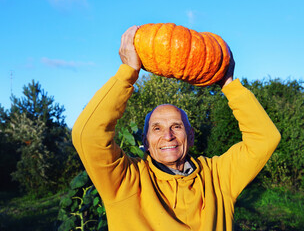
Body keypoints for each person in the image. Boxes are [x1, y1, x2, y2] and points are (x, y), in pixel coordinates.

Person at [72, 25, 281, 231]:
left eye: (176, 126)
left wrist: (229, 85)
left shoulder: (217, 177)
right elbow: (87, 134)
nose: (168, 136)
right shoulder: (125, 180)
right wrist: (127, 74)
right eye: (157, 129)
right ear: (145, 141)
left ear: (190, 136)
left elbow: (265, 139)